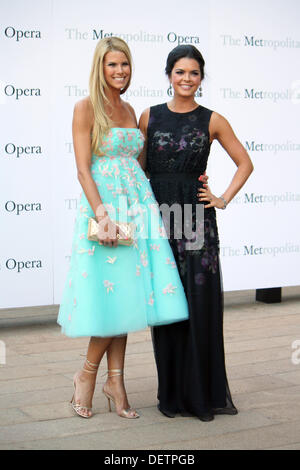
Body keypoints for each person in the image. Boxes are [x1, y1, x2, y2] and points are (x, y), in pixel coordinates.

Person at [57, 38, 189, 419]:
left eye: (125, 65)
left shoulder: (131, 109)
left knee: (129, 296)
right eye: (113, 65)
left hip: (137, 206)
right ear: (100, 67)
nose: (120, 72)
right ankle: (86, 375)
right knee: (113, 296)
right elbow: (83, 168)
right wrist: (102, 214)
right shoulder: (85, 108)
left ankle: (115, 381)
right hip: (106, 208)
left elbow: (141, 163)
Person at [139, 45, 254, 421]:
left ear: (201, 78)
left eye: (194, 73)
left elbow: (245, 163)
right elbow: (139, 173)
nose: (186, 79)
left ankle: (201, 392)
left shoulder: (213, 119)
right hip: (160, 218)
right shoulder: (149, 117)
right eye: (179, 72)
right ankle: (171, 393)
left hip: (194, 219)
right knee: (168, 306)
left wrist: (221, 198)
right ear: (168, 75)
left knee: (198, 304)